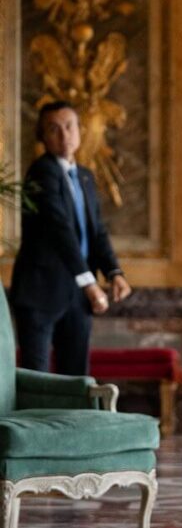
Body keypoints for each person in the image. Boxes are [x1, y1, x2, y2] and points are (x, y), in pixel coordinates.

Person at [11, 101, 131, 376]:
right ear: (42, 137)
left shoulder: (86, 177)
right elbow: (60, 230)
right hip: (41, 292)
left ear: (80, 130)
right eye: (54, 129)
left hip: (76, 297)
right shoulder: (42, 172)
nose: (64, 135)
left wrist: (114, 272)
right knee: (37, 378)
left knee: (76, 378)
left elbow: (97, 230)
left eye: (69, 126)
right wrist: (90, 284)